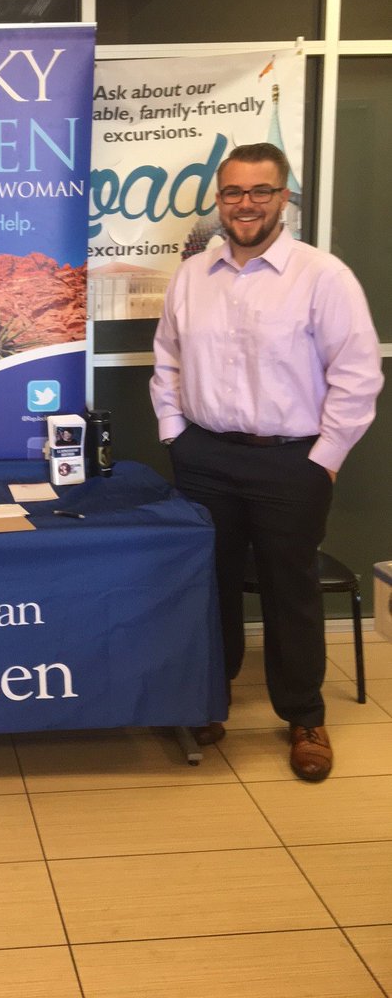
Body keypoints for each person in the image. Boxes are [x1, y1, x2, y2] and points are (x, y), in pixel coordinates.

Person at [150, 143, 383, 782]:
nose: (246, 203)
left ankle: (304, 716)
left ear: (284, 198)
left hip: (290, 463)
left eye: (260, 191)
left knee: (290, 590)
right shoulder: (192, 276)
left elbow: (358, 375)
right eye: (233, 192)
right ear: (219, 200)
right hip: (204, 457)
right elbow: (167, 359)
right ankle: (208, 700)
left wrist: (324, 459)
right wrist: (175, 434)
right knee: (208, 584)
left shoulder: (322, 276)